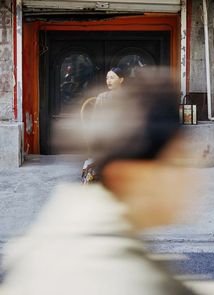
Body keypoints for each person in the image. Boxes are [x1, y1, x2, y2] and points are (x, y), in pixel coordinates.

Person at [0, 67, 197, 295]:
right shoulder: (117, 277)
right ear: (130, 174)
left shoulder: (67, 235)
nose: (190, 180)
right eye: (175, 164)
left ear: (122, 79)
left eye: (112, 77)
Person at [81, 67, 124, 184]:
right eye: (107, 78)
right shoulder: (102, 97)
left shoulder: (128, 97)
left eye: (112, 78)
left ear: (121, 80)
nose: (109, 81)